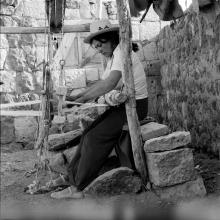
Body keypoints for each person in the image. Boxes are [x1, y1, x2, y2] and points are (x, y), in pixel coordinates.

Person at [50, 20, 148, 199]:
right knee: (88, 133)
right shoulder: (113, 57)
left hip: (135, 108)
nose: (98, 50)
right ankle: (71, 177)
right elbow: (102, 83)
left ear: (109, 38)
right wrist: (75, 99)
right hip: (123, 106)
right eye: (95, 47)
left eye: (99, 45)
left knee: (96, 138)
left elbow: (109, 84)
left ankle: (78, 187)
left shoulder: (121, 52)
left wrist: (83, 99)